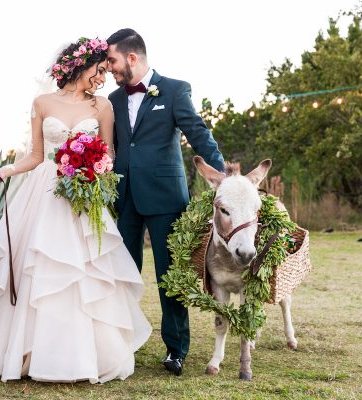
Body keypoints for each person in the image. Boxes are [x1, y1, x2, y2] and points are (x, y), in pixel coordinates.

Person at [0, 36, 152, 384]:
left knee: (82, 271)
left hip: (82, 194)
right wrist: (4, 171)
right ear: (80, 64)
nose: (102, 77)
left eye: (106, 71)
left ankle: (77, 355)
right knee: (37, 267)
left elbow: (110, 155)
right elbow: (33, 156)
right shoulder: (42, 102)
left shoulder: (101, 107)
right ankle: (24, 349)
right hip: (44, 189)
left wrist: (94, 173)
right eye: (99, 70)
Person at [106, 28, 225, 376]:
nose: (109, 68)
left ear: (132, 57)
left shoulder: (174, 89)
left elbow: (198, 133)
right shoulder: (112, 100)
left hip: (165, 197)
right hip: (124, 197)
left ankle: (176, 349)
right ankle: (119, 342)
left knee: (168, 276)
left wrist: (223, 178)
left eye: (112, 61)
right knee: (121, 273)